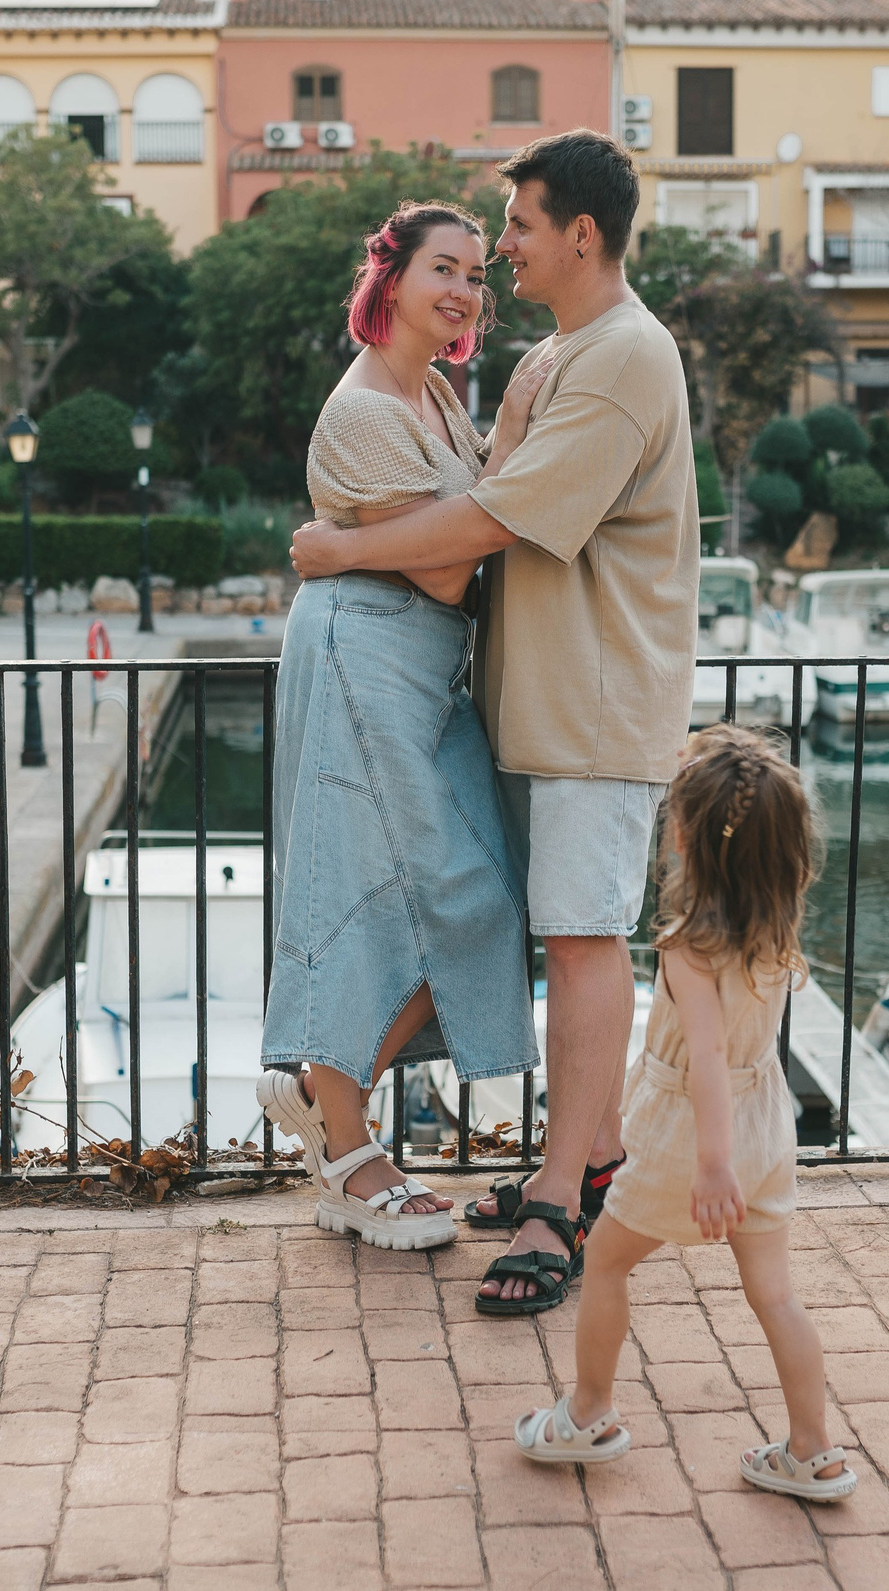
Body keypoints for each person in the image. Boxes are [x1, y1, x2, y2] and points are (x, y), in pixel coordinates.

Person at [291, 130, 700, 1314]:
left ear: (581, 233)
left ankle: (559, 1203)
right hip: (545, 704)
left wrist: (340, 551)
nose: (502, 250)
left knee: (580, 939)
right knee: (552, 929)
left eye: (516, 228)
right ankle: (586, 1156)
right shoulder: (568, 353)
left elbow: (494, 521)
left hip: (591, 708)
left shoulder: (620, 358)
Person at [256, 201, 538, 1251]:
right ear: (392, 279)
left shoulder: (434, 394)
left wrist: (344, 545)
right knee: (361, 891)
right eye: (442, 269)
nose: (464, 289)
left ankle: (323, 1091)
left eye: (476, 274)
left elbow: (457, 530)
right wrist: (352, 554)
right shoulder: (367, 409)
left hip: (421, 666)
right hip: (364, 654)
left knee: (483, 895)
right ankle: (347, 1148)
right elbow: (447, 567)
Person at [513, 725, 856, 1502]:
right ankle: (814, 1451)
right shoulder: (775, 926)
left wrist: (712, 1163)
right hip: (766, 1124)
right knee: (775, 1294)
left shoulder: (687, 945)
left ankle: (588, 1413)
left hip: (693, 1134)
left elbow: (705, 1056)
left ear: (683, 840)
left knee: (605, 1261)